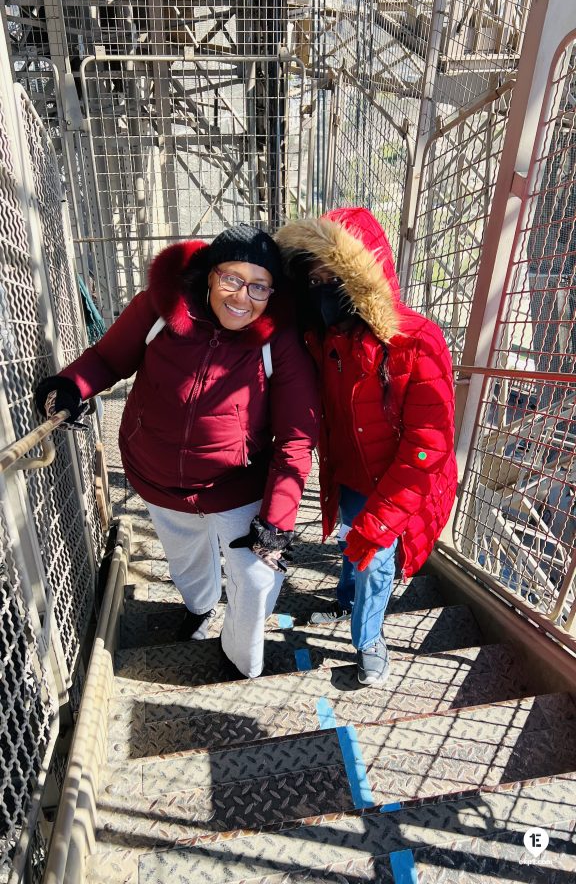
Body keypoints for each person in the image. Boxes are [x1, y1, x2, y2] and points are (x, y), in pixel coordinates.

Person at [34, 224, 319, 679]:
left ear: (272, 292)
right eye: (231, 279)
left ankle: (241, 659)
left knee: (258, 575)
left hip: (237, 485)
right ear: (209, 275)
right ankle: (200, 609)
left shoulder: (278, 340)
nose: (242, 297)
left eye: (258, 286)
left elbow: (296, 437)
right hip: (158, 475)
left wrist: (278, 522)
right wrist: (71, 385)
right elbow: (109, 358)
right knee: (187, 560)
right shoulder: (162, 309)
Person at [276, 207, 457, 687]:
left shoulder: (417, 342)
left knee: (374, 557)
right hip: (351, 475)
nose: (323, 288)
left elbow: (428, 445)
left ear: (364, 274)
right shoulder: (319, 339)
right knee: (350, 544)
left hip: (401, 481)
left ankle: (368, 638)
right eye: (312, 278)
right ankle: (344, 595)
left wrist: (381, 521)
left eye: (334, 275)